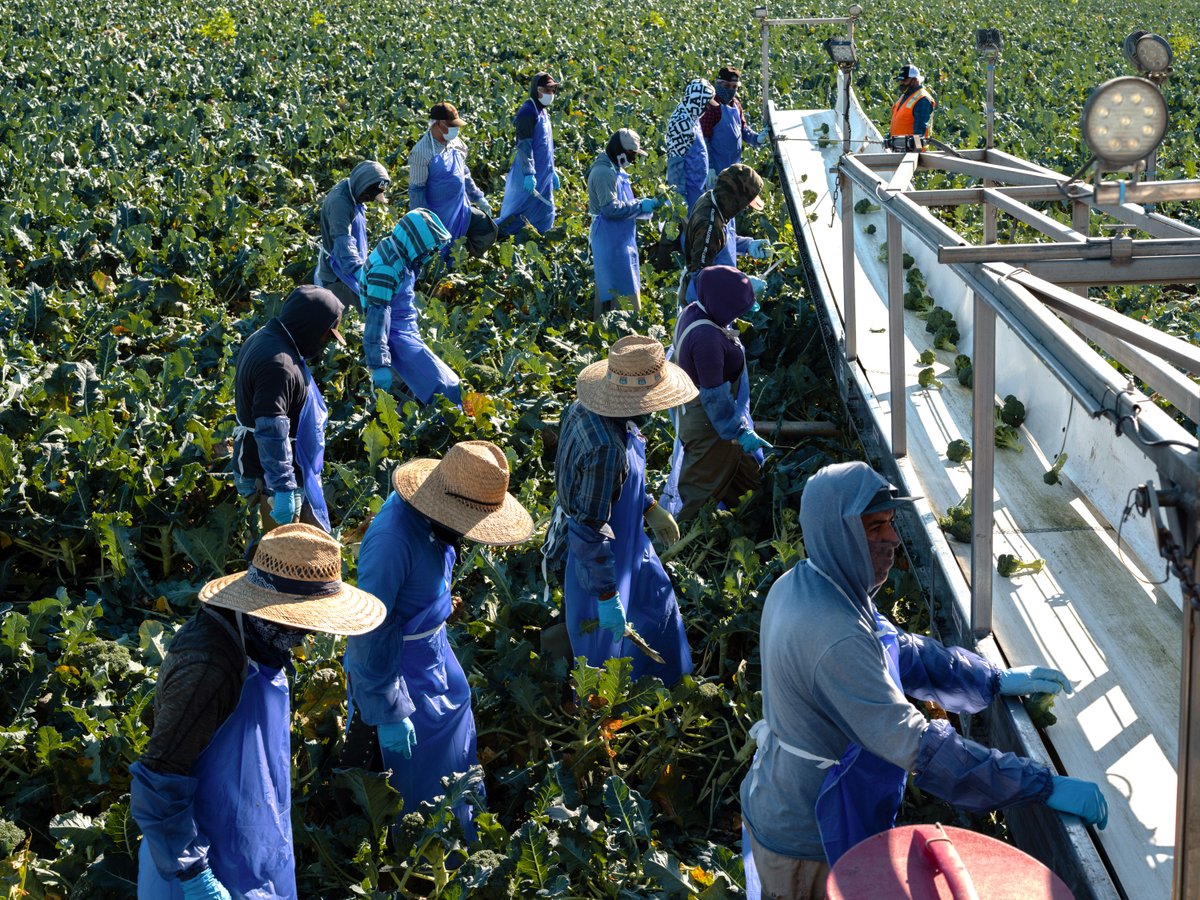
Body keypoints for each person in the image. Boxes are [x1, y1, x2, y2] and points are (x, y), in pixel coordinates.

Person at [739, 461, 1109, 900]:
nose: (892, 539)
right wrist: (1038, 783)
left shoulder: (814, 582)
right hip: (809, 835)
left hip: (815, 800)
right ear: (839, 534)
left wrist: (991, 679)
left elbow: (899, 649)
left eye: (891, 524)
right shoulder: (832, 634)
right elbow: (918, 746)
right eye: (875, 528)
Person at [130, 524, 387, 899]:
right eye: (301, 620)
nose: (307, 633)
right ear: (268, 609)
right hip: (194, 860)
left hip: (251, 838)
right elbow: (158, 778)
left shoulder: (257, 640)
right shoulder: (208, 669)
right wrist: (194, 874)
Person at [344, 441, 533, 836]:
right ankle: (424, 850)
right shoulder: (393, 540)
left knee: (458, 733)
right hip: (397, 667)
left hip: (434, 650)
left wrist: (442, 602)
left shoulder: (436, 524)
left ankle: (464, 826)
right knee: (420, 768)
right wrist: (388, 707)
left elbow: (417, 584)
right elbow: (371, 628)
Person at [543, 335, 699, 685]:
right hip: (599, 555)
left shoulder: (584, 407)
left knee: (658, 607)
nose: (655, 410)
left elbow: (603, 488)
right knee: (604, 649)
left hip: (629, 543)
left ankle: (666, 683)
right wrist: (606, 594)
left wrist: (649, 506)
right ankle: (608, 713)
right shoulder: (607, 450)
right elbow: (588, 527)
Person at [232, 284, 345, 533]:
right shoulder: (279, 365)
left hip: (274, 471)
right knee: (284, 558)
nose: (325, 342)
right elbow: (271, 430)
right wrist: (283, 488)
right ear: (310, 325)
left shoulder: (266, 336)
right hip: (270, 479)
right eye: (326, 334)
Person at [673, 266, 771, 523]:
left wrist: (743, 289)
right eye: (738, 309)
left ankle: (750, 519)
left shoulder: (696, 309)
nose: (743, 315)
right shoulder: (707, 339)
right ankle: (684, 541)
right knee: (701, 488)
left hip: (726, 418)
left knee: (746, 475)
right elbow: (714, 399)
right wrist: (737, 431)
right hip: (712, 426)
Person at [360, 208, 461, 407]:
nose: (430, 255)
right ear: (415, 242)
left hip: (406, 331)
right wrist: (378, 363)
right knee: (445, 388)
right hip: (397, 338)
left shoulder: (398, 251)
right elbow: (376, 317)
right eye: (428, 249)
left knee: (422, 391)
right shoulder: (387, 268)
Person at [586, 128, 663, 319]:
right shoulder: (604, 172)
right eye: (632, 155)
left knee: (622, 283)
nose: (634, 160)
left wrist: (647, 207)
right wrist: (640, 205)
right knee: (615, 287)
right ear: (620, 151)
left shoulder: (616, 169)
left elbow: (624, 205)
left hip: (621, 238)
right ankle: (621, 334)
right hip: (609, 239)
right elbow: (610, 209)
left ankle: (619, 329)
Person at [407, 102, 498, 257]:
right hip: (438, 214)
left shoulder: (457, 144)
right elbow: (417, 190)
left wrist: (477, 197)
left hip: (461, 208)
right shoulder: (421, 152)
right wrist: (423, 223)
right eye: (451, 125)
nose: (455, 130)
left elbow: (465, 173)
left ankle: (464, 259)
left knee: (486, 228)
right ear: (438, 124)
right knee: (438, 252)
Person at [679, 163, 769, 305]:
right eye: (745, 204)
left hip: (722, 295)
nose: (745, 208)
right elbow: (702, 277)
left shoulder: (718, 202)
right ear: (736, 199)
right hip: (705, 304)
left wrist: (748, 245)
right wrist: (741, 283)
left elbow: (725, 238)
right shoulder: (709, 225)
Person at [315, 161, 390, 307]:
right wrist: (359, 272)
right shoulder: (340, 203)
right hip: (339, 272)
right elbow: (343, 242)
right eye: (366, 196)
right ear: (361, 184)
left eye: (370, 198)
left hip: (352, 263)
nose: (366, 200)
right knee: (346, 316)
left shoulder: (353, 189)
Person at [497, 72, 561, 236]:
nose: (550, 94)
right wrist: (528, 173)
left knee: (543, 213)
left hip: (544, 173)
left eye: (553, 90)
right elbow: (524, 146)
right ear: (536, 90)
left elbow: (546, 146)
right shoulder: (528, 112)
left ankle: (540, 242)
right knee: (518, 212)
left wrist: (552, 171)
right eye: (546, 90)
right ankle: (501, 238)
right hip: (528, 176)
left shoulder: (543, 112)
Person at [699, 66, 768, 179]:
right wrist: (709, 167)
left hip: (734, 168)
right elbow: (704, 140)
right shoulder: (711, 106)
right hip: (716, 170)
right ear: (718, 84)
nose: (731, 90)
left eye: (734, 87)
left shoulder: (736, 104)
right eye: (727, 86)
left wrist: (756, 139)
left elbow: (743, 130)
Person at [665, 78, 715, 213]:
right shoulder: (681, 122)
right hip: (687, 192)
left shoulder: (692, 116)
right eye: (706, 104)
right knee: (688, 232)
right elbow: (675, 162)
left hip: (697, 189)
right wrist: (679, 198)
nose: (707, 108)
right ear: (698, 100)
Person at [887, 63, 936, 151]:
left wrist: (916, 152)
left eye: (904, 80)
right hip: (900, 150)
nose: (901, 83)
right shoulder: (905, 96)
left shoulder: (922, 99)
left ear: (914, 80)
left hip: (912, 152)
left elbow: (920, 130)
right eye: (900, 80)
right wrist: (889, 137)